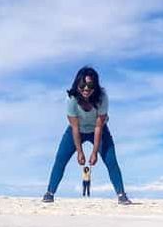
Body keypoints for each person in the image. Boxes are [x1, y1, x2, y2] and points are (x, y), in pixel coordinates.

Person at [42, 66, 132, 205]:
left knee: (111, 161)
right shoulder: (71, 99)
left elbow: (98, 127)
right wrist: (80, 152)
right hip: (76, 130)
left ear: (95, 86)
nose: (86, 88)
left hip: (99, 130)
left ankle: (121, 195)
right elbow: (75, 127)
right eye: (82, 85)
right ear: (77, 85)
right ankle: (49, 193)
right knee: (60, 159)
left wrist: (94, 153)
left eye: (90, 85)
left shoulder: (102, 98)